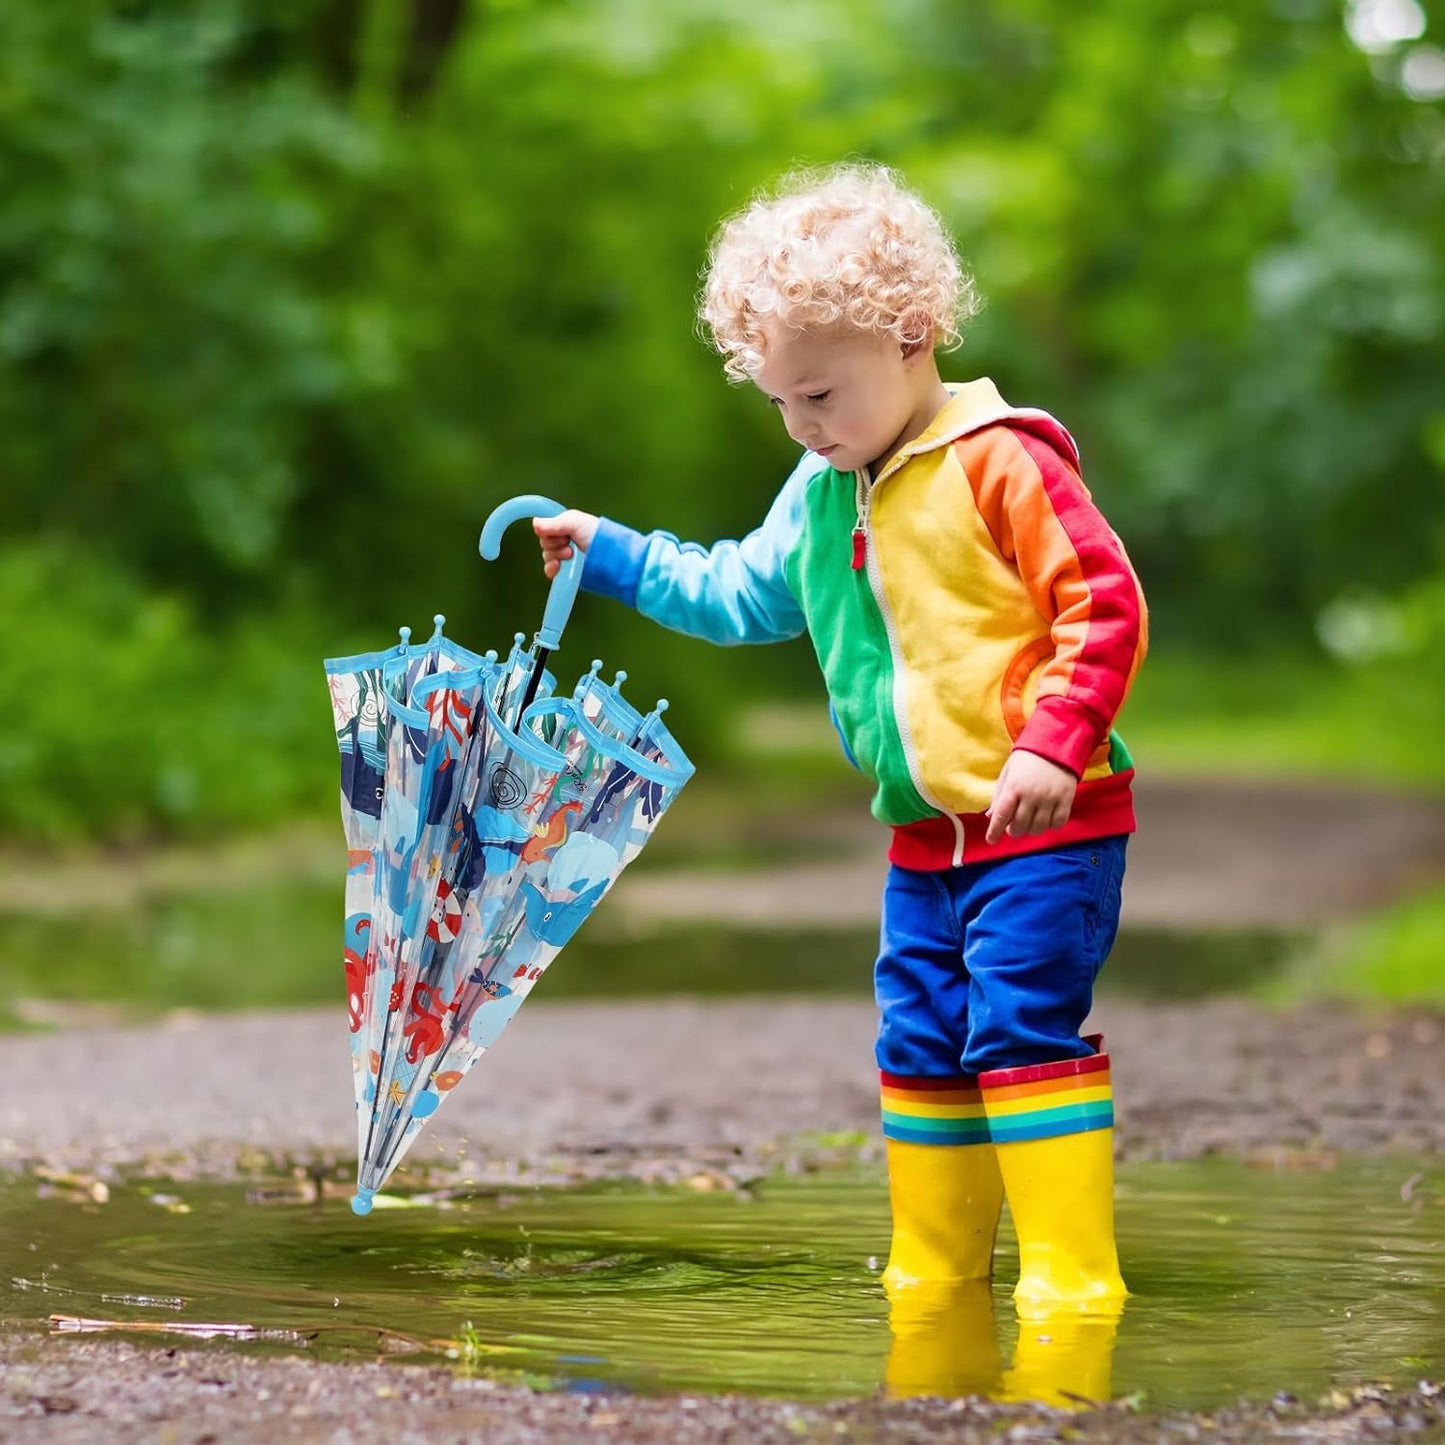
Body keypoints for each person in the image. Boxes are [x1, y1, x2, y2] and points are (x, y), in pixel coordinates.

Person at [533, 163, 1147, 1356]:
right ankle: (935, 1269)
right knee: (919, 1037)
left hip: (1042, 824)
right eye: (779, 404)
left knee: (1019, 1027)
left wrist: (1052, 742)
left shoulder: (999, 461)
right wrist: (609, 554)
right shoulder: (821, 490)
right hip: (924, 840)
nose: (803, 426)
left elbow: (1102, 602)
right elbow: (731, 592)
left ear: (908, 333)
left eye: (818, 392)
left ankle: (1072, 1282)